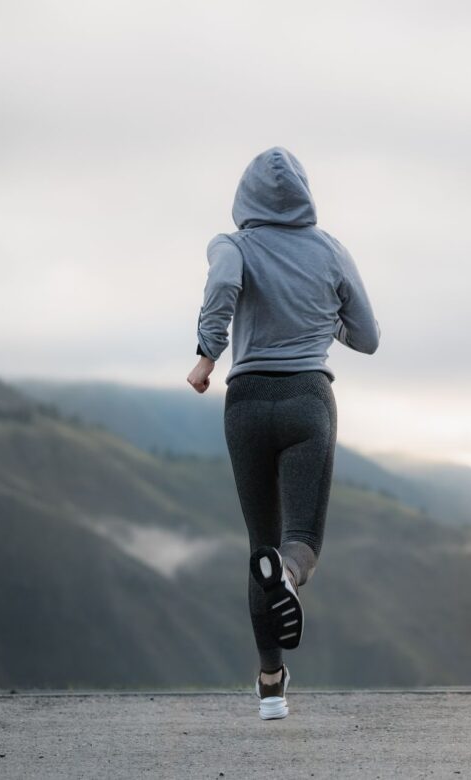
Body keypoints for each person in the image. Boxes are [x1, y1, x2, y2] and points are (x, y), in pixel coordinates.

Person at [186, 146, 380, 720]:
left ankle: (271, 684)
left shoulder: (233, 245)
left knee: (258, 544)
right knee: (299, 545)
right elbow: (367, 336)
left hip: (245, 404)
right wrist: (321, 320)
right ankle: (289, 575)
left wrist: (206, 355)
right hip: (305, 401)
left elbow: (222, 285)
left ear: (244, 198)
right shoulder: (330, 250)